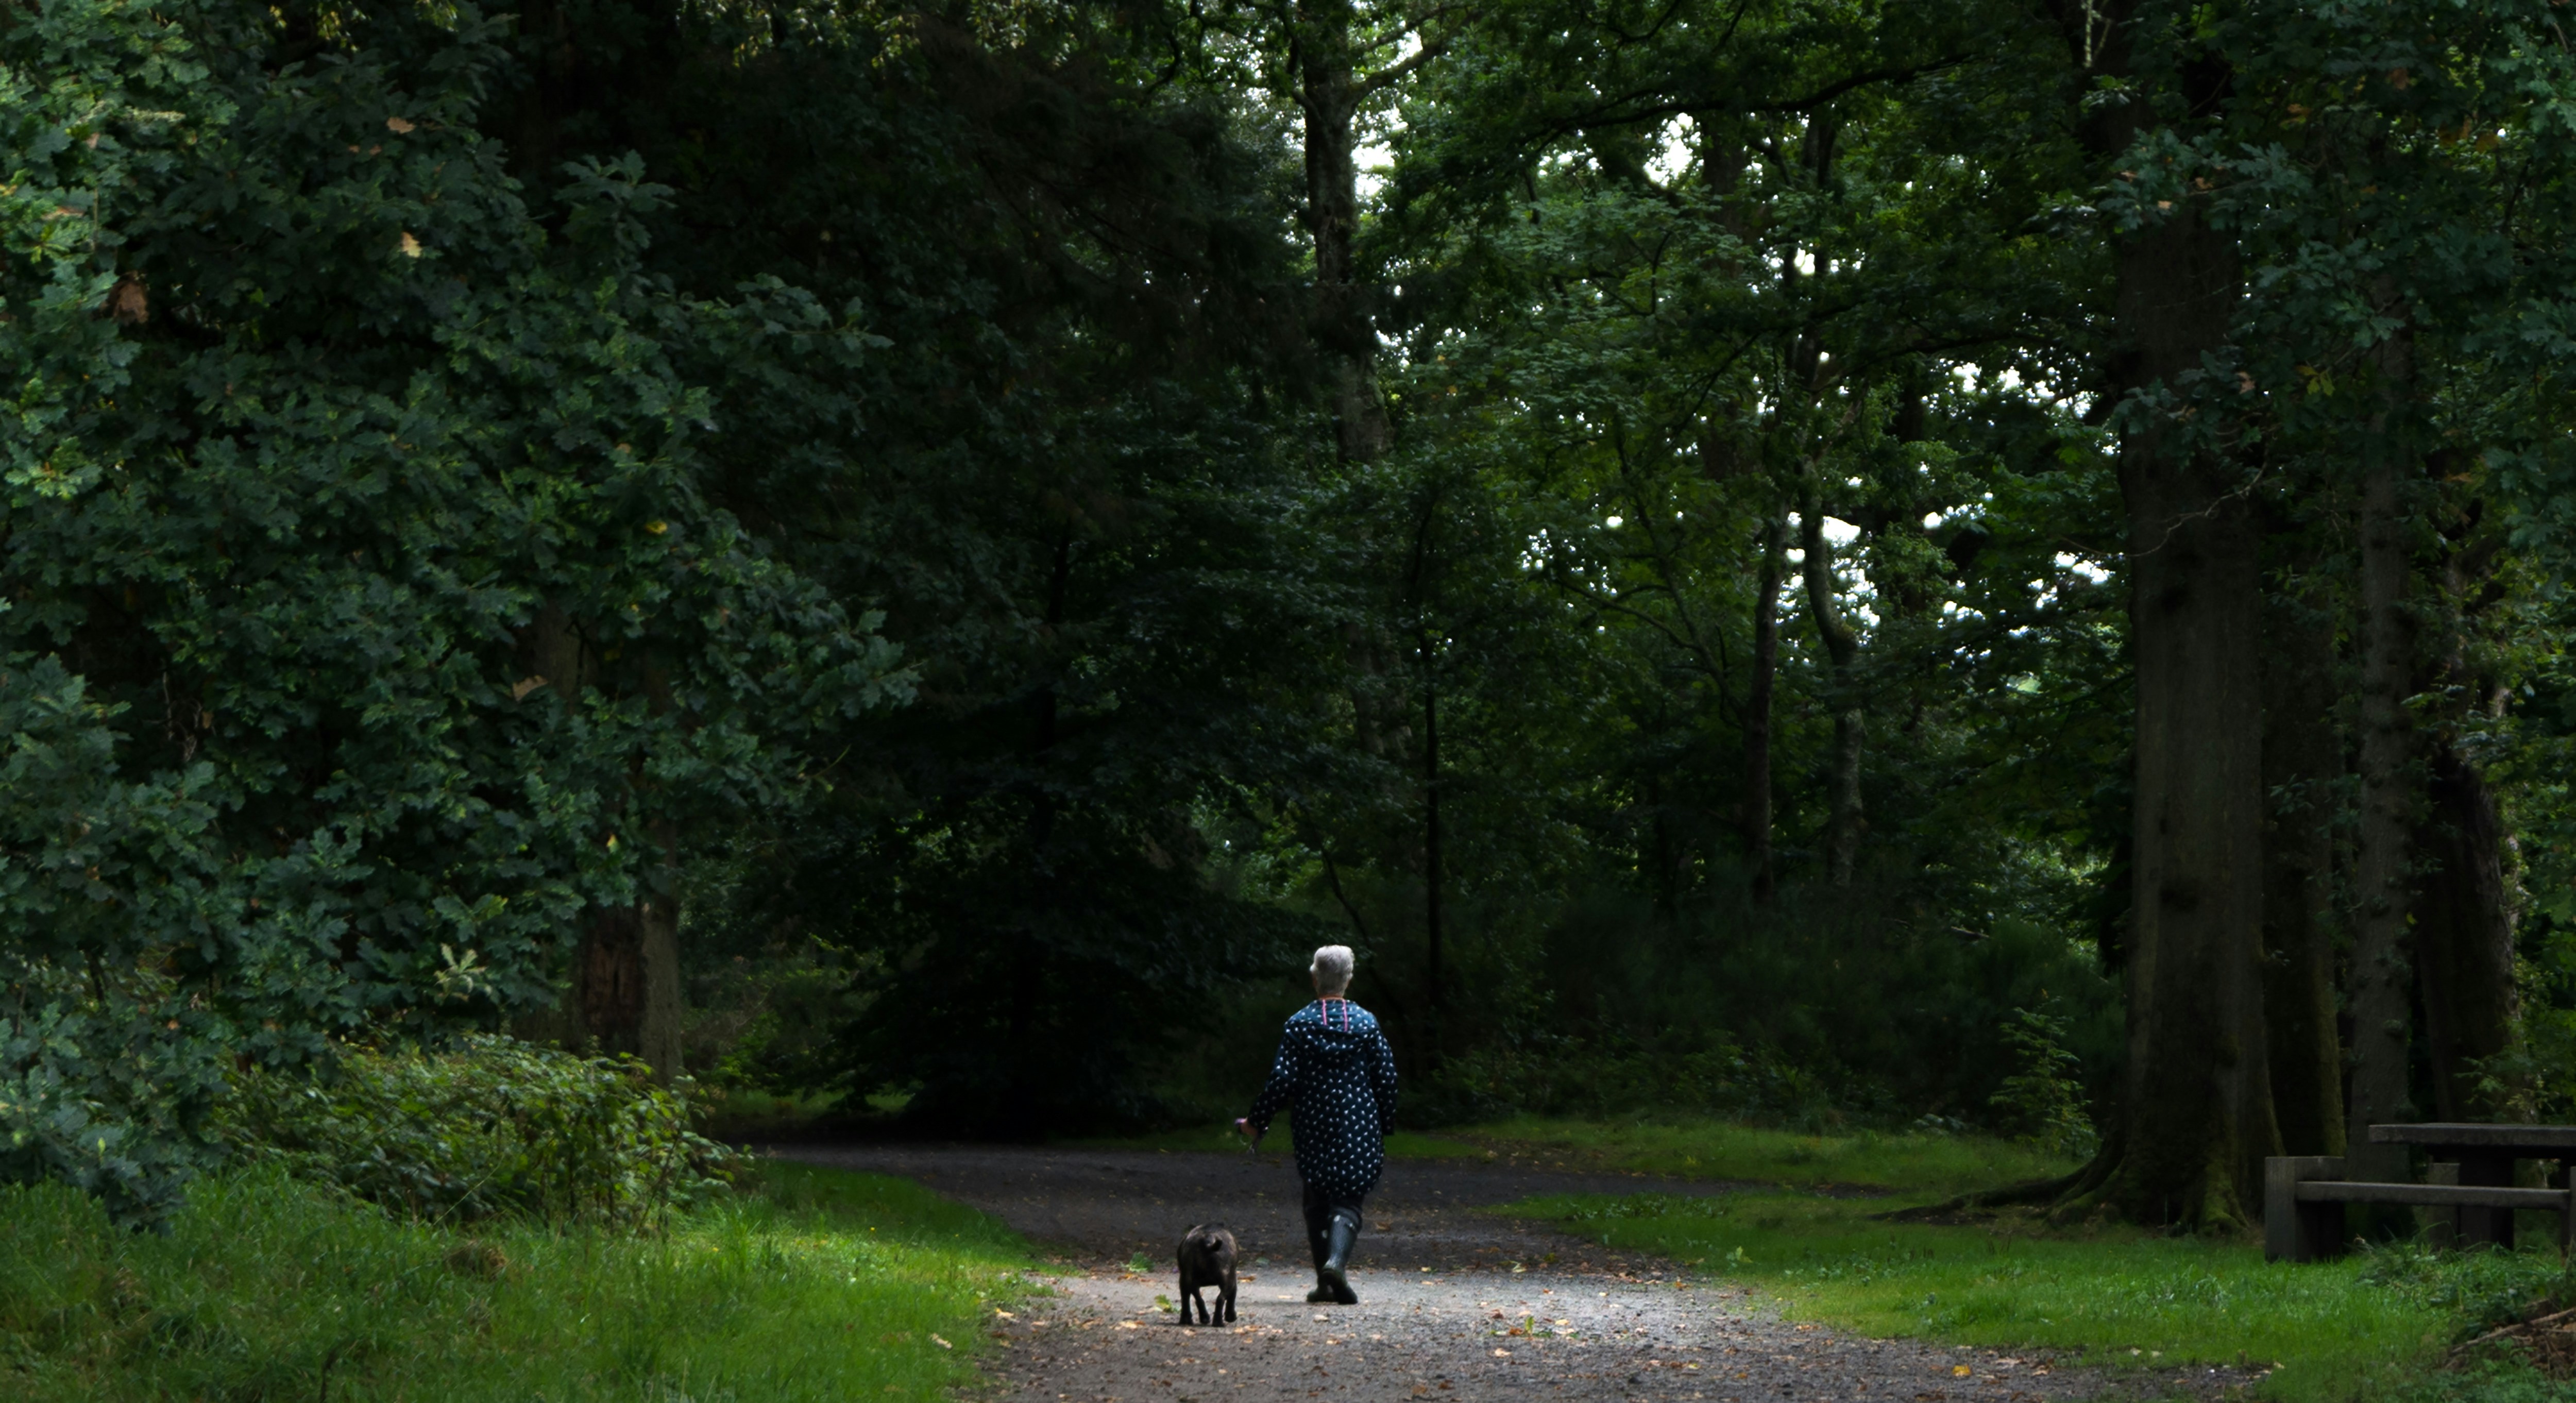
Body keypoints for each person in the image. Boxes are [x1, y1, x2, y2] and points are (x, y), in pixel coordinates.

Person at [1235, 944, 1397, 1306]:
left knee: (1316, 1201)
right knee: (1348, 1200)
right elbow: (1386, 1077)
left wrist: (1255, 1122)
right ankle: (1335, 1265)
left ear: (1314, 978)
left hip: (1313, 1123)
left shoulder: (1299, 1024)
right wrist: (1385, 1121)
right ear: (1349, 980)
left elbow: (1281, 1079)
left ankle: (1326, 1279)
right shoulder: (1367, 1024)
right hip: (1359, 1123)